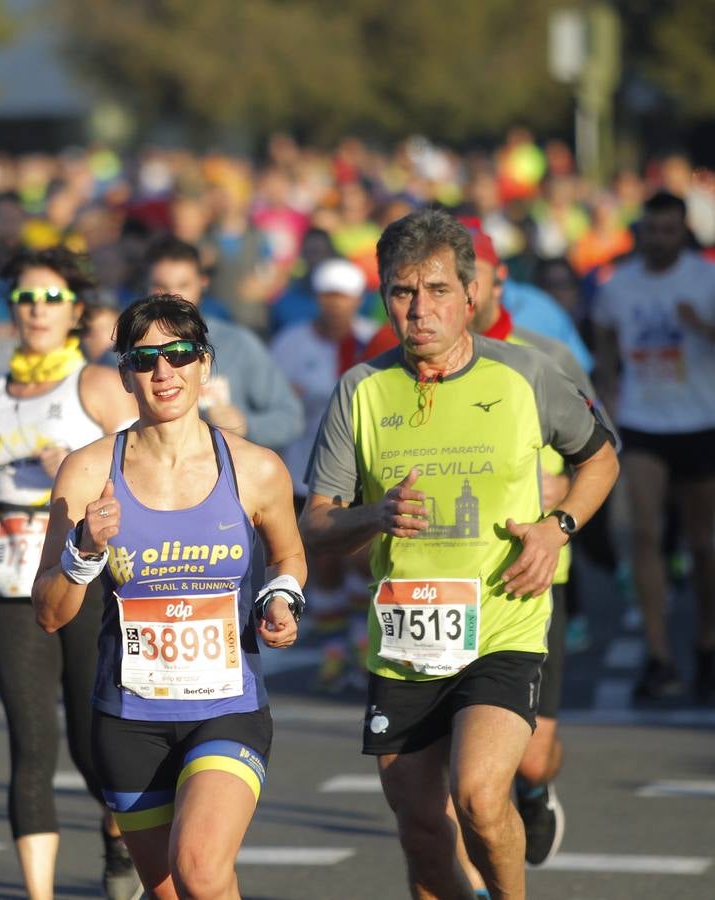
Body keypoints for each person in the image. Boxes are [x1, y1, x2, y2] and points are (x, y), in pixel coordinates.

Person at [300, 209, 618, 899]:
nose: (420, 310)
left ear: (470, 295)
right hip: (406, 636)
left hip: (505, 621)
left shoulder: (525, 375)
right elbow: (315, 525)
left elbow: (600, 459)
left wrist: (556, 527)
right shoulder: (361, 390)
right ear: (384, 297)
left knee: (476, 795)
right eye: (402, 292)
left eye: (437, 290)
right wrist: (372, 515)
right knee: (420, 827)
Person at [32, 293, 306, 899]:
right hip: (129, 719)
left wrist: (280, 599)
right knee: (170, 890)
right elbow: (49, 612)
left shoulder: (256, 469)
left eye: (179, 354)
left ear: (204, 366)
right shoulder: (86, 473)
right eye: (145, 358)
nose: (164, 371)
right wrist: (82, 553)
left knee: (201, 868)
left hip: (226, 708)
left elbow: (289, 557)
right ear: (125, 374)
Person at [0, 247, 139, 900]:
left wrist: (73, 476)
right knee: (31, 741)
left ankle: (118, 836)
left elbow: (147, 477)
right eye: (26, 298)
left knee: (90, 735)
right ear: (11, 310)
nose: (38, 311)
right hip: (5, 581)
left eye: (52, 299)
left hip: (85, 576)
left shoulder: (97, 386)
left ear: (75, 312)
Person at [467, 228, 614, 866]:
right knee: (458, 770)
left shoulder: (545, 354)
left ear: (500, 285)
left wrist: (564, 486)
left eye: (470, 280)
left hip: (534, 570)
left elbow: (604, 444)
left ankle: (536, 787)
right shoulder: (407, 360)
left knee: (527, 754)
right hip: (447, 579)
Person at [594, 190, 715, 703]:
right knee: (643, 534)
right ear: (640, 231)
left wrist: (701, 327)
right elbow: (603, 359)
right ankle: (659, 653)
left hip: (701, 420)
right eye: (652, 230)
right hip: (642, 423)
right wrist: (606, 412)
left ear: (683, 232)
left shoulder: (706, 279)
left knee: (703, 544)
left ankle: (707, 645)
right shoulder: (617, 287)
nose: (660, 239)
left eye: (670, 230)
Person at [269, 257, 376, 692]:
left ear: (357, 300)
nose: (336, 305)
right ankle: (336, 652)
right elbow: (276, 400)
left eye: (344, 297)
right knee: (323, 563)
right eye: (328, 296)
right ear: (316, 299)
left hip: (357, 470)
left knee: (360, 560)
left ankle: (361, 643)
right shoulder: (291, 343)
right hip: (302, 470)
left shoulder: (370, 340)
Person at [146, 237, 304, 451]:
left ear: (203, 284)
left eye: (183, 285)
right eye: (160, 286)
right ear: (145, 286)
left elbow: (291, 418)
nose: (173, 297)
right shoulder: (126, 353)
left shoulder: (238, 343)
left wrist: (246, 425)